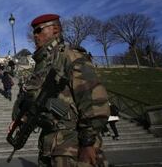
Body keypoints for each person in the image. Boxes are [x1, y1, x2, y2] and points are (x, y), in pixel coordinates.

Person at [9, 14, 110, 166]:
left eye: (39, 30)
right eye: (34, 32)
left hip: (74, 147)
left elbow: (95, 101)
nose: (35, 35)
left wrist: (88, 143)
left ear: (55, 29)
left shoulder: (70, 56)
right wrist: (21, 119)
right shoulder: (41, 65)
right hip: (49, 147)